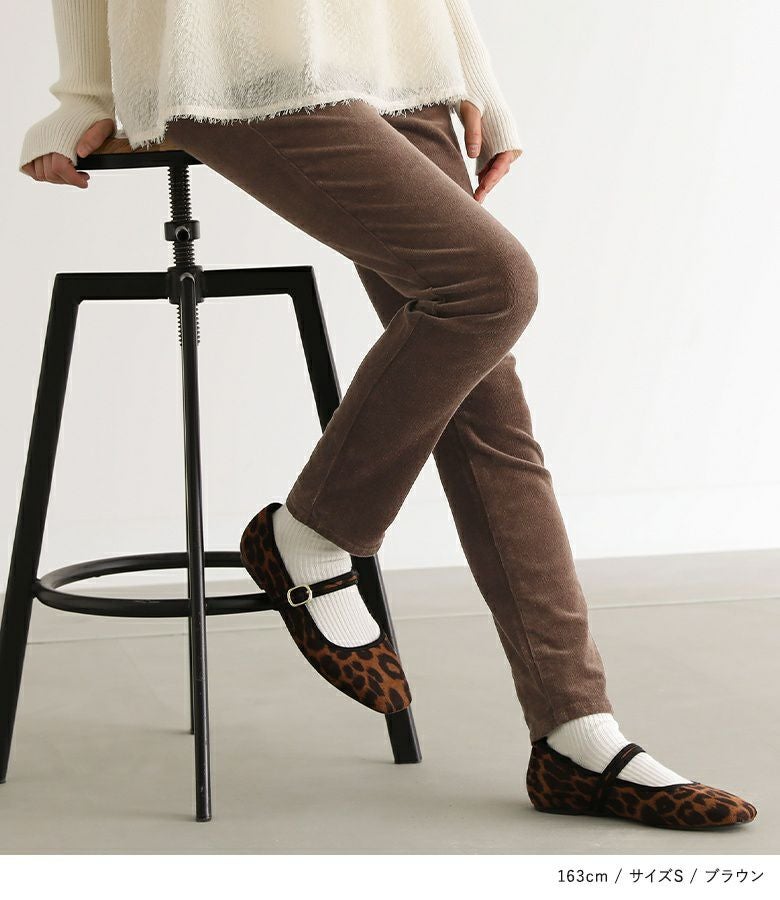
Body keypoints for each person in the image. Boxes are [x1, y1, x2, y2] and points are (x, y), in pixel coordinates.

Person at [19, 0, 756, 831]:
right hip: (229, 65)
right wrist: (83, 93)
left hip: (400, 58)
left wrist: (471, 74)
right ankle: (312, 531)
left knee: (487, 404)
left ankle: (575, 737)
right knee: (491, 287)